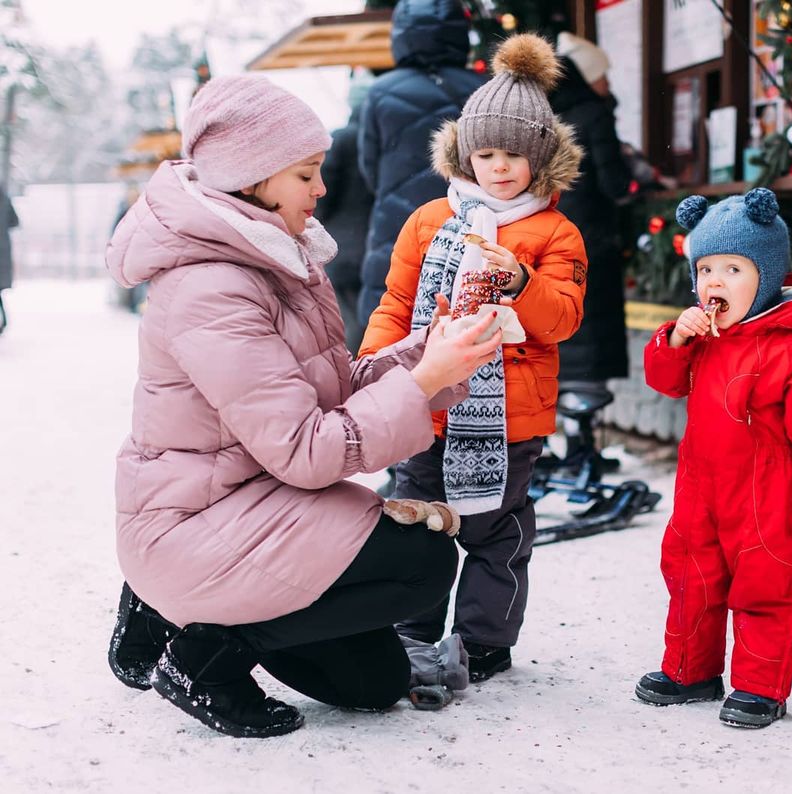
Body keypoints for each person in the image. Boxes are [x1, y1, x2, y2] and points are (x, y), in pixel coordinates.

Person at [104, 74, 504, 738]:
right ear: (252, 178)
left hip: (252, 503)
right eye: (305, 174)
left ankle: (185, 614)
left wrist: (428, 358)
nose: (322, 189)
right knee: (421, 562)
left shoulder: (273, 256)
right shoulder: (212, 288)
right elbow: (306, 449)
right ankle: (201, 655)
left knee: (371, 686)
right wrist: (423, 376)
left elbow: (330, 386)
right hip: (195, 520)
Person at [359, 33, 585, 682]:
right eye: (485, 153)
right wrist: (377, 369)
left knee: (494, 533)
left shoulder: (554, 232)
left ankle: (485, 641)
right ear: (464, 153)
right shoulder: (429, 220)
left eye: (514, 155)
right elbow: (397, 303)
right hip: (427, 408)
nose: (500, 167)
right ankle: (410, 632)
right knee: (417, 522)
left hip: (508, 419)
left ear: (539, 156)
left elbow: (564, 316)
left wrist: (521, 282)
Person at [635, 188, 792, 728]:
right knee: (690, 576)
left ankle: (760, 686)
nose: (714, 282)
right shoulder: (704, 337)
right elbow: (664, 381)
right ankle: (691, 670)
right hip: (701, 488)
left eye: (733, 268)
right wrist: (675, 340)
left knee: (766, 584)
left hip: (766, 497)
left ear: (768, 273)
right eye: (705, 268)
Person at [357, 0, 487, 333]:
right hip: (469, 222)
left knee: (394, 318)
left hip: (397, 223)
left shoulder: (380, 93)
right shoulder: (482, 89)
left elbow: (368, 168)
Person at [550, 32, 634, 388]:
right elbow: (614, 183)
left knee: (565, 326)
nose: (607, 82)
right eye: (602, 75)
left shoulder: (550, 115)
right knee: (594, 329)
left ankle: (570, 425)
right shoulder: (594, 114)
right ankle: (585, 423)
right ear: (586, 77)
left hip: (555, 234)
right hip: (593, 237)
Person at [315, 69, 376, 353]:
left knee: (349, 320)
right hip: (374, 243)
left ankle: (355, 374)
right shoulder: (380, 139)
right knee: (373, 317)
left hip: (341, 244)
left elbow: (322, 194)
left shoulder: (340, 139)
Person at [0, 185, 19, 336]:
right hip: (3, 252)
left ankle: (3, 320)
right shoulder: (5, 199)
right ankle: (3, 320)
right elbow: (15, 222)